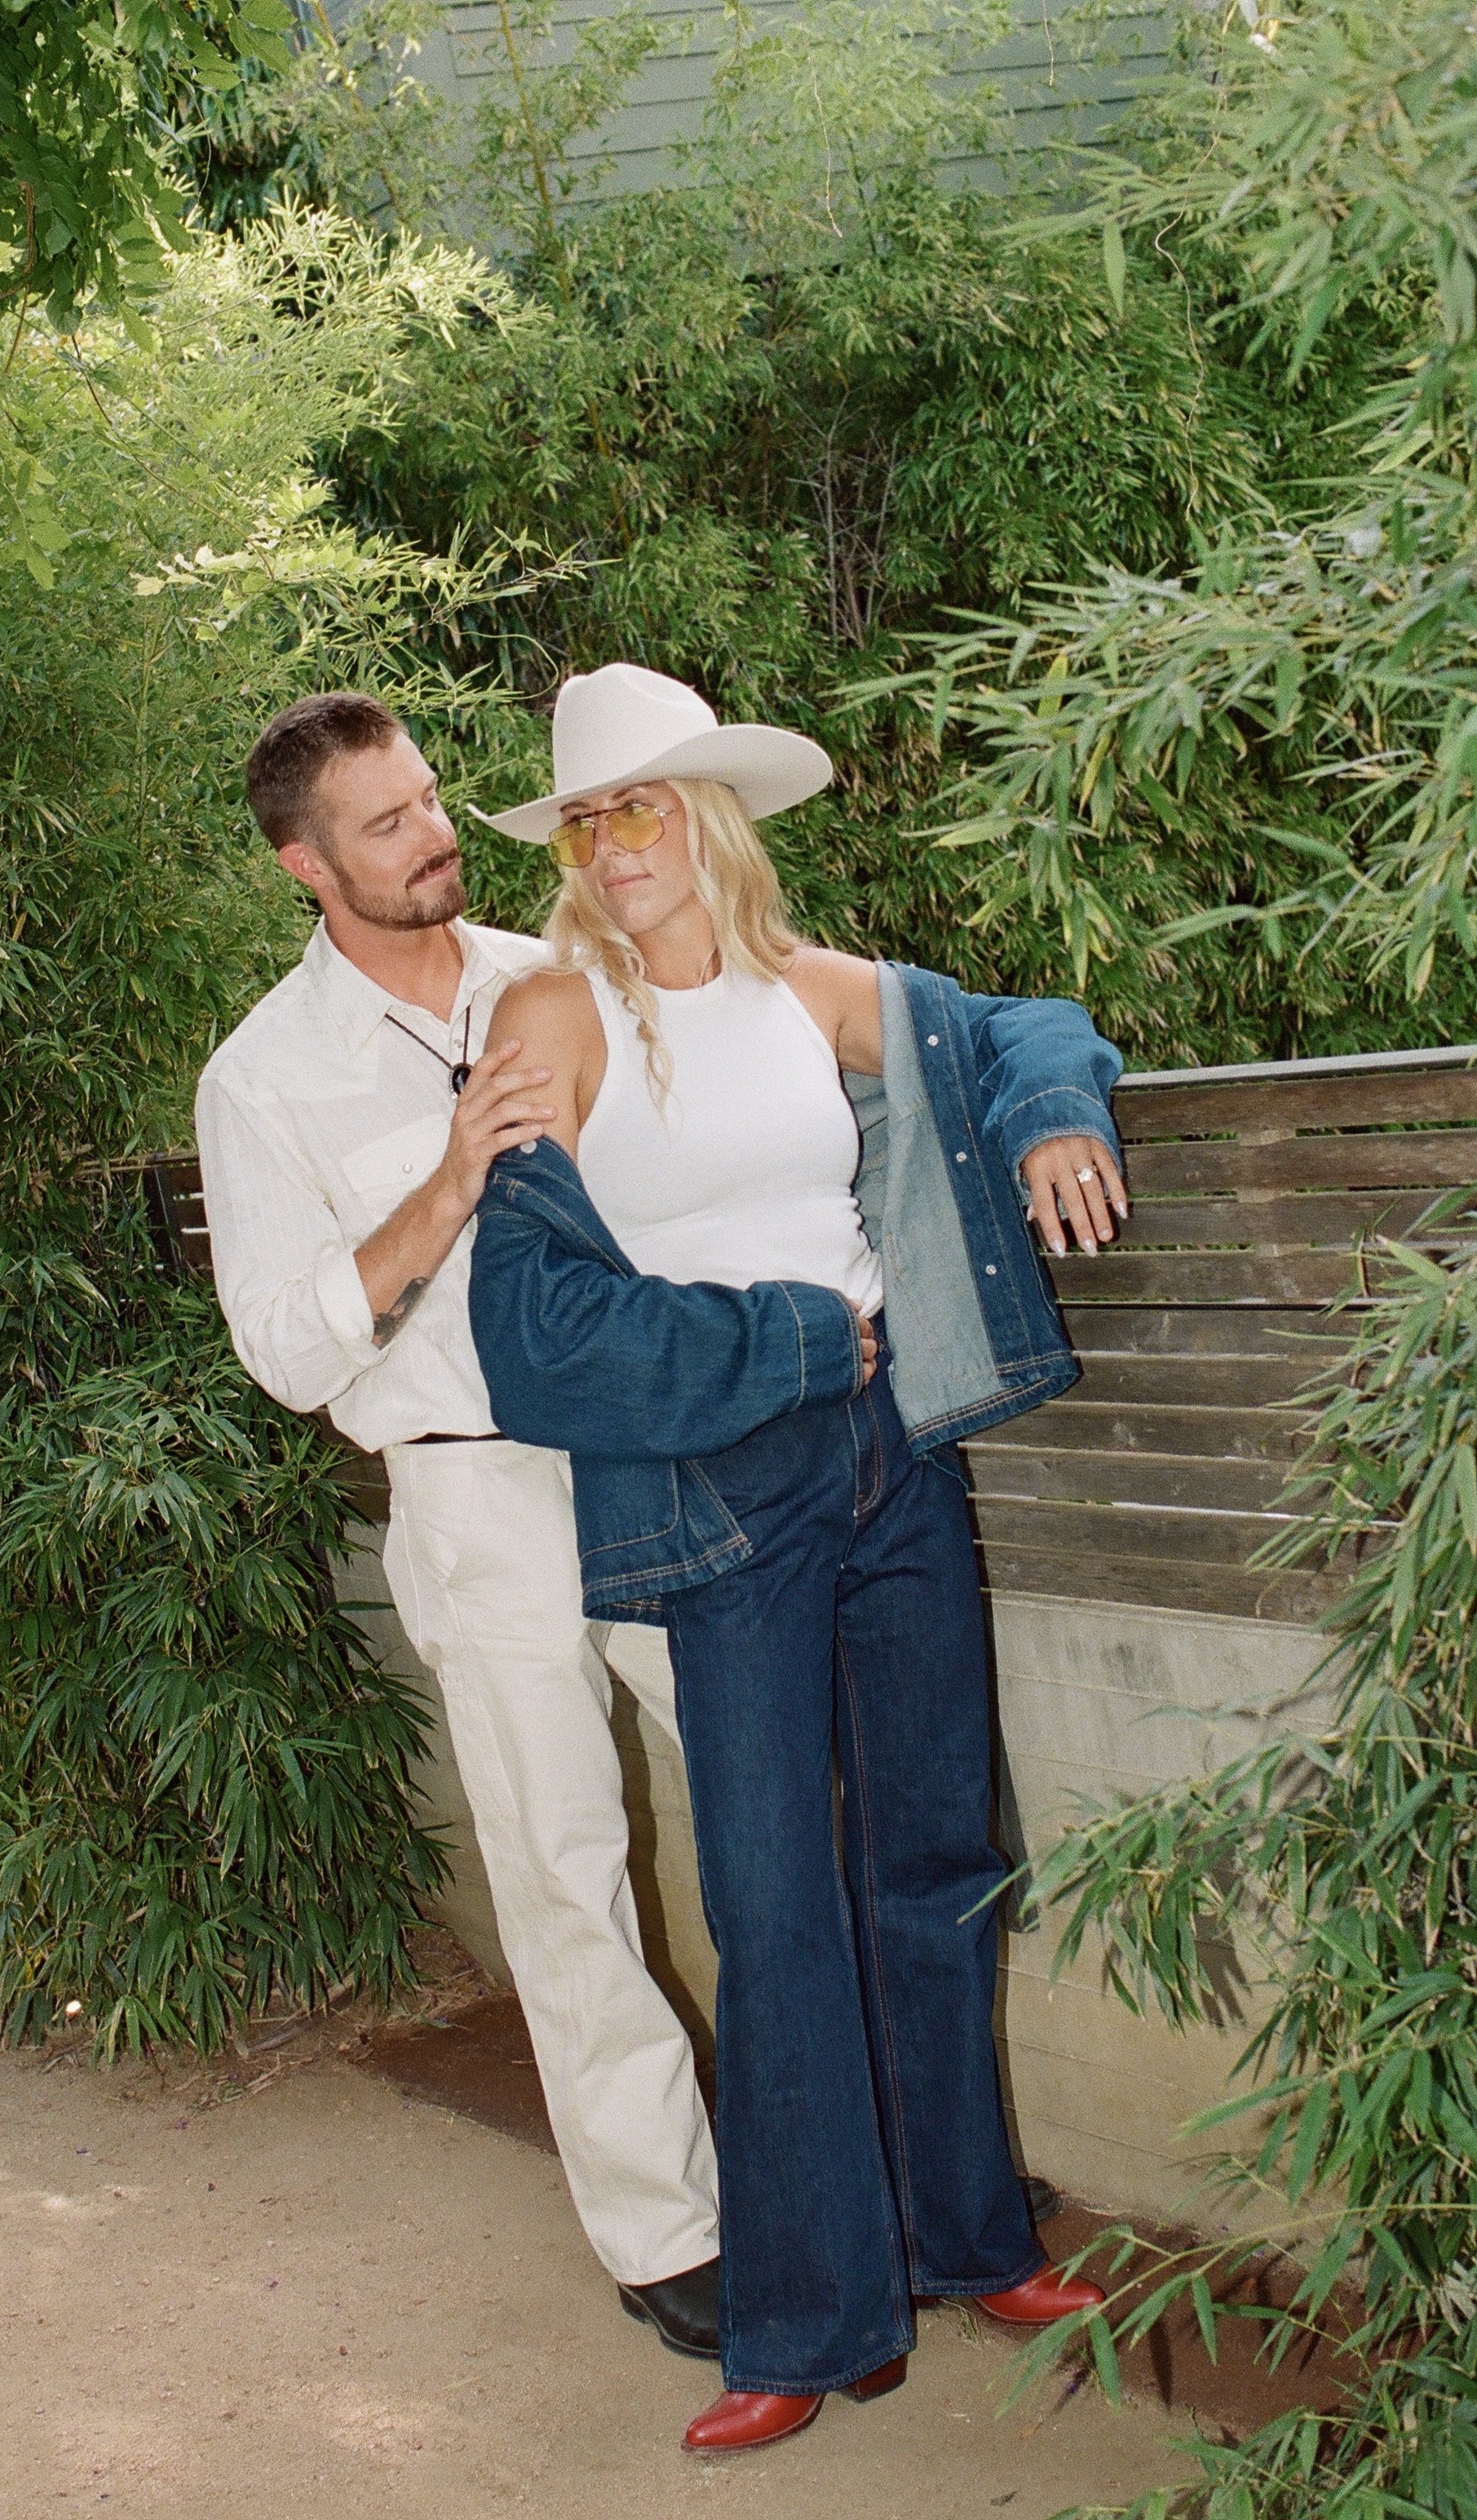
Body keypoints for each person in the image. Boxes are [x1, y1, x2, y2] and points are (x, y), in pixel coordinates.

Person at [466, 663, 1125, 2458]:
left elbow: (1026, 1025)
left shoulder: (810, 990)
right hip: (719, 1484)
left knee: (933, 1855)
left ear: (710, 816)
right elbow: (534, 1335)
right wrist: (785, 1337)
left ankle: (970, 2239)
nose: (614, 849)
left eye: (640, 808)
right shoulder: (550, 1015)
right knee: (770, 1906)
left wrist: (1056, 1113)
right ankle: (804, 2316)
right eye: (584, 824)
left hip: (892, 1461)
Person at [194, 690, 724, 2358]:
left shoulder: (562, 971)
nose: (433, 836)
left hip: (648, 1453)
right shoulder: (261, 1078)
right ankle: (671, 2235)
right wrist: (442, 1186)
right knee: (566, 1875)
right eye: (386, 823)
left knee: (787, 1798)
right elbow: (285, 1351)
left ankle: (862, 2164)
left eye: (429, 800)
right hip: (470, 1492)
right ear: (304, 864)